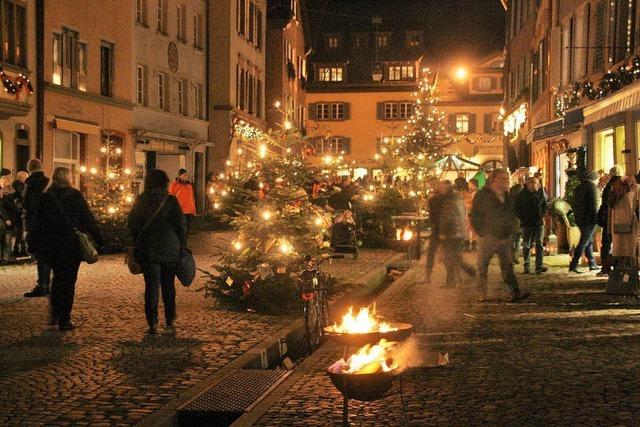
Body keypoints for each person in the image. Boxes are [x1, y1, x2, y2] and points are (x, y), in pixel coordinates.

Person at [31, 167, 102, 330]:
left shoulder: (46, 197)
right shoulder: (75, 196)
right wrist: (99, 239)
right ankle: (64, 318)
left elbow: (38, 223)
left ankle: (55, 313)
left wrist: (33, 244)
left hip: (52, 245)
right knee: (68, 282)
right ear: (68, 178)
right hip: (71, 246)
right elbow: (88, 219)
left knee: (57, 279)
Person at [128, 169, 187, 335]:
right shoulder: (170, 201)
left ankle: (152, 322)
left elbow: (132, 223)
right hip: (170, 250)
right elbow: (181, 225)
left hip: (148, 250)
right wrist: (182, 246)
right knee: (168, 285)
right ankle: (169, 319)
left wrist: (136, 242)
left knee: (151, 286)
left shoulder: (141, 200)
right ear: (165, 182)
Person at [471, 169, 530, 302]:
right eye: (503, 179)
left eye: (507, 180)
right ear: (494, 180)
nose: (506, 182)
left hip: (505, 236)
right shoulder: (483, 195)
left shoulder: (507, 196)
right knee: (482, 266)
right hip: (488, 236)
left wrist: (512, 229)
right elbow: (475, 214)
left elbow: (511, 214)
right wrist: (481, 232)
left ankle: (514, 291)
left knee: (507, 266)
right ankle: (482, 293)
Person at [435, 180, 476, 287]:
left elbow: (448, 217)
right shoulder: (456, 197)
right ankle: (454, 279)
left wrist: (443, 232)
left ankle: (466, 272)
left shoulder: (449, 199)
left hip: (451, 233)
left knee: (449, 258)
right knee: (452, 257)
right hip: (457, 232)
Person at [23, 159, 52, 297]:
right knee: (48, 255)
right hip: (49, 224)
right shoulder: (48, 182)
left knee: (41, 256)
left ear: (29, 169)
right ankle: (48, 284)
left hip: (36, 225)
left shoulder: (31, 184)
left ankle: (43, 285)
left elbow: (27, 205)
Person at [568, 170, 601, 273]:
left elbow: (574, 203)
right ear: (594, 178)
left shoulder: (579, 188)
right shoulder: (593, 188)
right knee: (584, 241)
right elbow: (595, 206)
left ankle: (592, 263)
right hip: (589, 219)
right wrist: (597, 218)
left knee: (588, 240)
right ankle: (573, 265)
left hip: (580, 218)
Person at [515, 177, 548, 274]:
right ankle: (527, 266)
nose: (537, 185)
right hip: (527, 223)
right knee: (526, 245)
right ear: (529, 184)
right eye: (535, 183)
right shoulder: (522, 195)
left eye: (538, 183)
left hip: (539, 223)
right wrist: (523, 218)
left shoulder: (541, 193)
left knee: (539, 244)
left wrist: (542, 215)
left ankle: (539, 266)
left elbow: (545, 205)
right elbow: (517, 208)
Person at [608, 175, 640, 268]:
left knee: (620, 252)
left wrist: (609, 230)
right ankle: (629, 275)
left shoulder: (615, 189)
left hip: (616, 225)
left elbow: (610, 209)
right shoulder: (636, 188)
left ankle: (620, 274)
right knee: (631, 251)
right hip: (631, 224)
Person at [597, 166, 622, 276]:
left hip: (609, 218)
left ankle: (605, 267)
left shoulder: (609, 186)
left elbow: (605, 204)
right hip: (621, 219)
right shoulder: (624, 185)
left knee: (606, 244)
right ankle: (619, 266)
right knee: (619, 243)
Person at [169, 168, 196, 234]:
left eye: (187, 175)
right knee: (180, 229)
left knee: (187, 229)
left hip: (188, 211)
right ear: (180, 176)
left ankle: (184, 243)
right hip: (180, 210)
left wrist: (194, 210)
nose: (186, 176)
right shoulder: (175, 185)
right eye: (184, 175)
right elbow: (170, 196)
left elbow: (191, 198)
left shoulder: (189, 185)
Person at [9, 171, 29, 257]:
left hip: (17, 211)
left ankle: (20, 250)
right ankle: (20, 250)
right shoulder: (18, 184)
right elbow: (23, 195)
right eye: (26, 177)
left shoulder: (17, 185)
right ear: (22, 177)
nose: (27, 179)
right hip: (18, 211)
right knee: (20, 231)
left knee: (20, 231)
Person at [509, 172, 525, 264]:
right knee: (518, 239)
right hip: (519, 221)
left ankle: (512, 256)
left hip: (512, 221)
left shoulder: (510, 198)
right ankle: (515, 256)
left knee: (512, 240)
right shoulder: (521, 199)